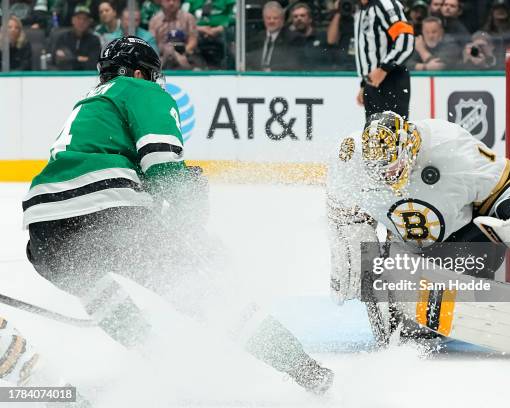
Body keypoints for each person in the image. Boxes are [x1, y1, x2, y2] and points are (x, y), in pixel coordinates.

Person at [23, 35, 333, 394]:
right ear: (140, 72)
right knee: (212, 296)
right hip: (102, 211)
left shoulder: (90, 104)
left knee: (100, 292)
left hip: (43, 235)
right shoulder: (140, 90)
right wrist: (195, 232)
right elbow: (164, 170)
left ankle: (159, 362)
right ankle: (307, 371)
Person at [326, 110, 510, 361]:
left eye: (392, 166)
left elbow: (506, 185)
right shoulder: (351, 159)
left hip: (464, 242)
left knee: (437, 299)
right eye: (379, 171)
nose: (386, 176)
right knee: (408, 319)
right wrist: (349, 258)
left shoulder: (449, 145)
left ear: (409, 146)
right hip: (408, 250)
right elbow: (340, 210)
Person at [353, 0, 415, 120]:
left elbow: (405, 38)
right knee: (374, 135)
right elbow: (369, 49)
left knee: (393, 134)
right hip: (373, 81)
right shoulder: (362, 9)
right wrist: (365, 83)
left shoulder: (385, 4)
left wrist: (384, 68)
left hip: (391, 78)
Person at [182, 0, 235, 69]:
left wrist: (221, 27)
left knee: (229, 35)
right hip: (197, 31)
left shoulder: (229, 1)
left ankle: (228, 69)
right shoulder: (190, 2)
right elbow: (182, 17)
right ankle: (194, 67)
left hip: (222, 31)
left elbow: (236, 16)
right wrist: (197, 28)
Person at [245, 1, 294, 71]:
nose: (271, 21)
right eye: (268, 18)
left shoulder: (292, 38)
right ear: (264, 19)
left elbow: (292, 64)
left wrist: (271, 70)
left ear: (282, 20)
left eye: (275, 18)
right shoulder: (257, 38)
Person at [149, 0, 198, 66]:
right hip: (161, 58)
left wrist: (181, 53)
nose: (171, 3)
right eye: (168, 0)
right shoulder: (154, 21)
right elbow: (152, 43)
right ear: (161, 1)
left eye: (175, 0)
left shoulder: (189, 18)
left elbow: (193, 40)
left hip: (185, 56)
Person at [51, 5, 101, 70]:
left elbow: (94, 63)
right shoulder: (63, 38)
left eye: (85, 19)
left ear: (89, 22)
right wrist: (79, 59)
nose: (81, 22)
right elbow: (58, 60)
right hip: (66, 75)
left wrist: (71, 58)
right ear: (73, 20)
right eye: (78, 18)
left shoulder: (94, 40)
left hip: (87, 76)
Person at [287, 2, 327, 70]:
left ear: (310, 19)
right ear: (292, 21)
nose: (299, 19)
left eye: (302, 15)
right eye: (295, 16)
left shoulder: (322, 36)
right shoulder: (289, 40)